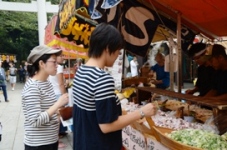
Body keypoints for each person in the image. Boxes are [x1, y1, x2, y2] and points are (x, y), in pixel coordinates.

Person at [72, 23, 157, 150]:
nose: (118, 55)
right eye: (118, 51)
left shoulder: (81, 71)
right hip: (100, 144)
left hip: (84, 142)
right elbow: (107, 126)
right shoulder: (102, 78)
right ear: (107, 48)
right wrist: (141, 112)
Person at [22, 45, 69, 150]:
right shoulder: (32, 87)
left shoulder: (46, 83)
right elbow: (35, 121)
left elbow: (48, 110)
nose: (57, 65)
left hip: (51, 141)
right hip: (39, 144)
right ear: (42, 64)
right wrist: (58, 103)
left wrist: (62, 111)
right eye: (54, 62)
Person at [48, 54, 68, 148]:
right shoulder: (59, 67)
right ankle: (57, 140)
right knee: (58, 119)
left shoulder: (49, 66)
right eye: (61, 56)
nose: (63, 58)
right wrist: (64, 95)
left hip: (51, 93)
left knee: (53, 118)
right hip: (58, 94)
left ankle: (54, 139)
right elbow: (60, 84)